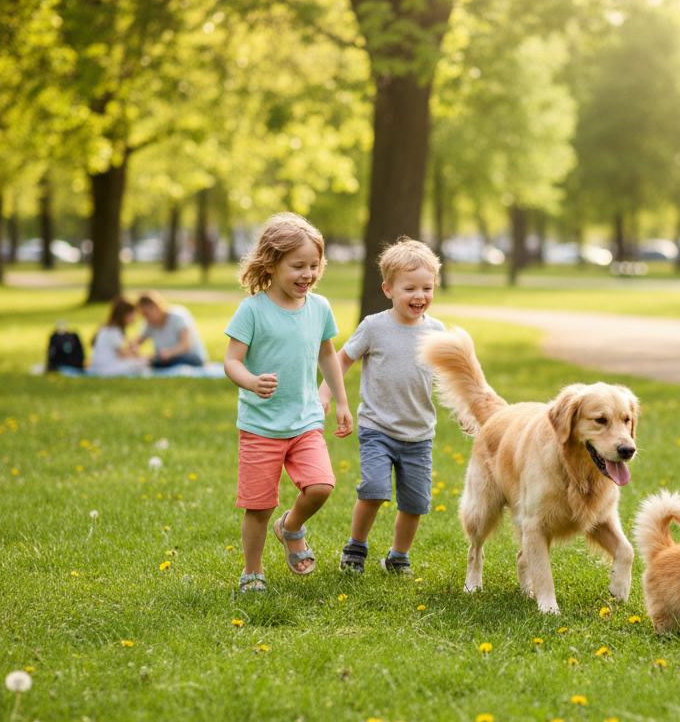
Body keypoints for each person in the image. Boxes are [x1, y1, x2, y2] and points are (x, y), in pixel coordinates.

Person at [223, 213, 353, 593]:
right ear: (271, 263)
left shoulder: (319, 307)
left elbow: (327, 355)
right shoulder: (253, 310)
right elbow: (232, 361)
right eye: (297, 266)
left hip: (305, 421)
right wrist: (250, 381)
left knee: (321, 486)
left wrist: (341, 402)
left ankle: (291, 526)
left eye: (314, 265)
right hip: (261, 425)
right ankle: (252, 571)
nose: (307, 274)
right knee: (258, 507)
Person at [337, 238, 447, 575]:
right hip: (377, 428)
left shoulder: (437, 331)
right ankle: (356, 548)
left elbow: (451, 377)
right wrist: (329, 395)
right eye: (409, 288)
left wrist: (468, 415)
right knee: (373, 490)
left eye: (426, 288)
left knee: (415, 504)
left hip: (419, 434)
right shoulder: (374, 326)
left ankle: (398, 556)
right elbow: (341, 359)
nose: (419, 296)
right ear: (388, 289)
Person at [130, 290, 209, 368]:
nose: (146, 318)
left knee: (159, 362)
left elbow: (187, 345)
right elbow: (137, 342)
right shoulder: (149, 324)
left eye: (147, 314)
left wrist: (170, 353)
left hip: (191, 357)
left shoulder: (177, 316)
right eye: (143, 315)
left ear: (157, 307)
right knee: (156, 362)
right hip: (168, 360)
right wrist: (132, 349)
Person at [89, 296, 151, 377]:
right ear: (125, 315)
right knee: (143, 364)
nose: (134, 318)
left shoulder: (108, 328)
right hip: (106, 368)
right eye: (132, 314)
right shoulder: (114, 330)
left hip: (99, 366)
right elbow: (121, 354)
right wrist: (133, 351)